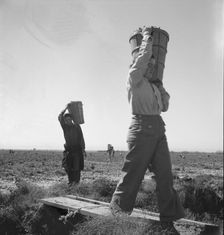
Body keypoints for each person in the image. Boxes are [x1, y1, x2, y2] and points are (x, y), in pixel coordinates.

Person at [109, 27, 184, 234]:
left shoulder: (152, 86)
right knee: (132, 175)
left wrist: (161, 87)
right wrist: (148, 38)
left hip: (159, 129)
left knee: (165, 176)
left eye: (153, 65)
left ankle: (168, 220)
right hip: (141, 129)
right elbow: (142, 59)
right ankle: (116, 216)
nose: (150, 67)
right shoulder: (134, 78)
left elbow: (165, 107)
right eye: (148, 64)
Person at [58, 103, 86, 185]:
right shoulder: (65, 127)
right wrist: (65, 108)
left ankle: (76, 185)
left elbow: (81, 138)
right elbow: (60, 117)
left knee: (77, 169)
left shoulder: (77, 126)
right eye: (66, 120)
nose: (67, 121)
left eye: (69, 119)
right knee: (68, 168)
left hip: (77, 150)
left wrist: (83, 149)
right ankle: (70, 184)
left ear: (72, 119)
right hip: (69, 151)